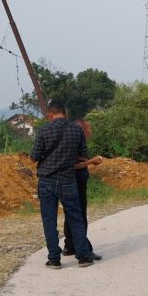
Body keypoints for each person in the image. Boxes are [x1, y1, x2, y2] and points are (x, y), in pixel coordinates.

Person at [29, 99, 96, 269]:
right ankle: (83, 256)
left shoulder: (44, 130)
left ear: (49, 114)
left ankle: (54, 259)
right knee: (76, 218)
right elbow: (82, 154)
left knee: (49, 220)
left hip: (47, 181)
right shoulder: (76, 130)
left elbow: (34, 157)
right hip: (68, 180)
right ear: (64, 112)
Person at [62, 119, 102, 257]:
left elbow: (76, 160)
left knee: (70, 213)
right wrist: (91, 162)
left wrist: (89, 161)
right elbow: (72, 164)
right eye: (88, 127)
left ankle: (69, 245)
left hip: (72, 179)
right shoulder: (76, 141)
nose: (90, 130)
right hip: (76, 180)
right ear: (81, 129)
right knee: (79, 214)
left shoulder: (73, 141)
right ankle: (84, 249)